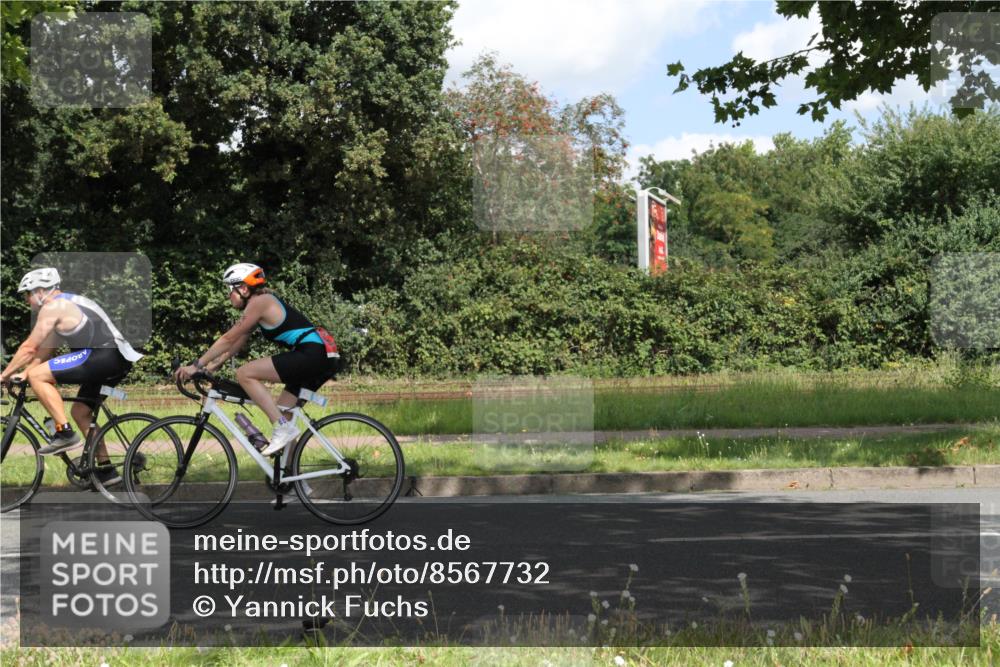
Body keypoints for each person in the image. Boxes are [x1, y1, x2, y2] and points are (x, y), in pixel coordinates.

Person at [174, 263, 339, 456]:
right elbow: (237, 342)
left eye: (230, 289)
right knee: (282, 410)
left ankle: (282, 427)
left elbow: (227, 339)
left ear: (243, 289)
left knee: (245, 373)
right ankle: (291, 472)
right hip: (321, 356)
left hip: (312, 354)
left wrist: (196, 365)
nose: (229, 295)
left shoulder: (260, 302)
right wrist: (212, 367)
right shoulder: (259, 305)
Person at [0, 267, 143, 484]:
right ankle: (106, 471)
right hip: (114, 358)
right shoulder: (65, 304)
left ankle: (65, 433)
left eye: (28, 294)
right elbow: (46, 350)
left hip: (103, 355)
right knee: (80, 412)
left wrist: (4, 375)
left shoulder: (53, 307)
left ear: (41, 291)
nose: (26, 300)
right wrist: (25, 372)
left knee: (39, 376)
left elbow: (29, 347)